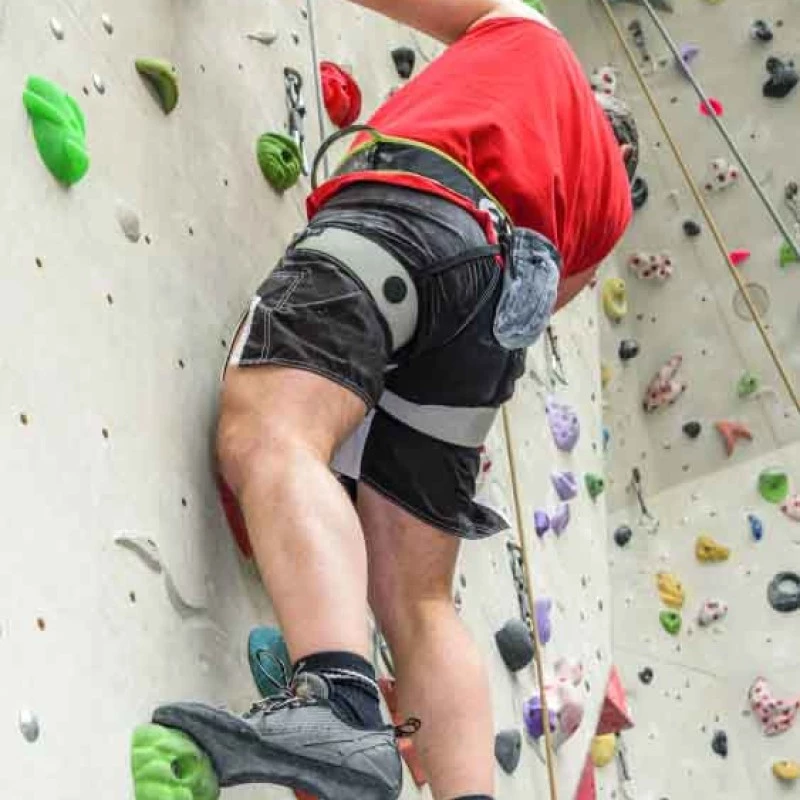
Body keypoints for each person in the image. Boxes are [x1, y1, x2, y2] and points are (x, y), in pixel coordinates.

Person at [151, 1, 636, 799]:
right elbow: (548, 306)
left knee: (273, 429)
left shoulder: (532, 36)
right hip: (489, 325)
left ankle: (339, 703)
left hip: (414, 218)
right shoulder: (608, 210)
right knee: (417, 597)